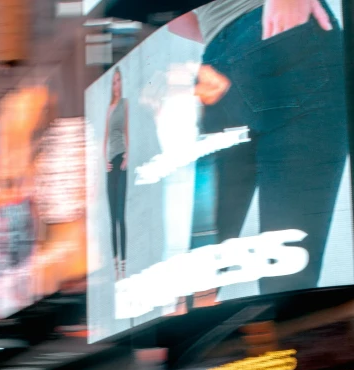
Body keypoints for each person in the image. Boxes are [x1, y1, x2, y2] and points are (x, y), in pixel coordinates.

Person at [169, 0, 348, 297]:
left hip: (217, 65)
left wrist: (226, 36)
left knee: (201, 270)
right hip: (287, 33)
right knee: (288, 267)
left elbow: (177, 17)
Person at [104, 67, 129, 280]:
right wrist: (104, 160)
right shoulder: (109, 108)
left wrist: (128, 156)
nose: (116, 85)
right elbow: (105, 136)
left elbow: (126, 130)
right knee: (112, 217)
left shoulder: (124, 104)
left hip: (121, 159)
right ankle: (115, 266)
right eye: (113, 82)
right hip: (110, 162)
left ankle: (123, 266)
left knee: (121, 215)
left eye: (118, 80)